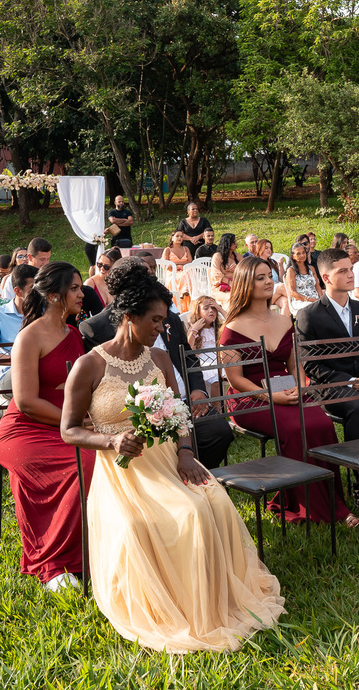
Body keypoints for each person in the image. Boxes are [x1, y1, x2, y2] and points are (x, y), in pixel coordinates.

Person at [59, 259, 285, 651]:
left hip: (168, 459)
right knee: (189, 513)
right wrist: (110, 442)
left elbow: (179, 415)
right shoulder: (88, 364)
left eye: (165, 321)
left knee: (213, 498)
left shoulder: (160, 359)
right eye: (157, 321)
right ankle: (185, 608)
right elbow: (69, 430)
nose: (163, 329)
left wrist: (184, 452)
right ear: (129, 317)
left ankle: (219, 597)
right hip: (123, 471)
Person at [219, 256, 357, 526]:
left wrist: (298, 386)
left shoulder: (283, 321)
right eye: (260, 278)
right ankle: (322, 509)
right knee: (296, 429)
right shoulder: (231, 329)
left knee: (322, 423)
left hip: (289, 391)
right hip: (251, 399)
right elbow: (235, 380)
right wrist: (271, 396)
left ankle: (323, 498)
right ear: (246, 284)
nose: (268, 281)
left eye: (269, 276)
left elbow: (295, 365)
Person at [0, 262, 93, 592]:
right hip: (25, 430)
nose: (82, 293)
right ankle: (53, 560)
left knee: (102, 458)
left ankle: (93, 550)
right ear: (53, 296)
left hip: (65, 423)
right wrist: (75, 422)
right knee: (84, 463)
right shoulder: (29, 337)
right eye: (75, 288)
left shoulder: (74, 333)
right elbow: (25, 402)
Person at [80, 257, 229, 469]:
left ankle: (198, 471)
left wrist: (199, 391)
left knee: (219, 432)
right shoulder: (96, 328)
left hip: (186, 402)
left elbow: (188, 356)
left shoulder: (168, 315)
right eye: (144, 278)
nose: (160, 326)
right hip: (140, 412)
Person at [295, 248, 359, 518]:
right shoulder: (309, 315)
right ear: (326, 277)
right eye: (343, 271)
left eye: (351, 269)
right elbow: (312, 365)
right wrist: (353, 382)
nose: (351, 274)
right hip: (331, 387)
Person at [0, 264, 38, 390]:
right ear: (18, 291)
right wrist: (17, 360)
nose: (39, 293)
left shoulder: (45, 313)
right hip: (12, 373)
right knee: (26, 373)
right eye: (33, 288)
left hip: (43, 370)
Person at [186, 295, 225, 395]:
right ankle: (217, 408)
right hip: (203, 360)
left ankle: (219, 406)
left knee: (219, 376)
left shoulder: (218, 328)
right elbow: (188, 348)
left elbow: (233, 323)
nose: (211, 311)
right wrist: (194, 330)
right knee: (215, 379)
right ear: (198, 312)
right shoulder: (194, 328)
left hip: (219, 358)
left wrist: (220, 309)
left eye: (213, 308)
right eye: (206, 308)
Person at [285, 241, 320, 313]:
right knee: (313, 308)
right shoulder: (291, 270)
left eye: (303, 252)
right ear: (293, 256)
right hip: (301, 301)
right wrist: (309, 299)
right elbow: (293, 292)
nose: (302, 255)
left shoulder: (311, 268)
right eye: (298, 254)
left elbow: (318, 287)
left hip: (315, 299)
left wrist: (321, 299)